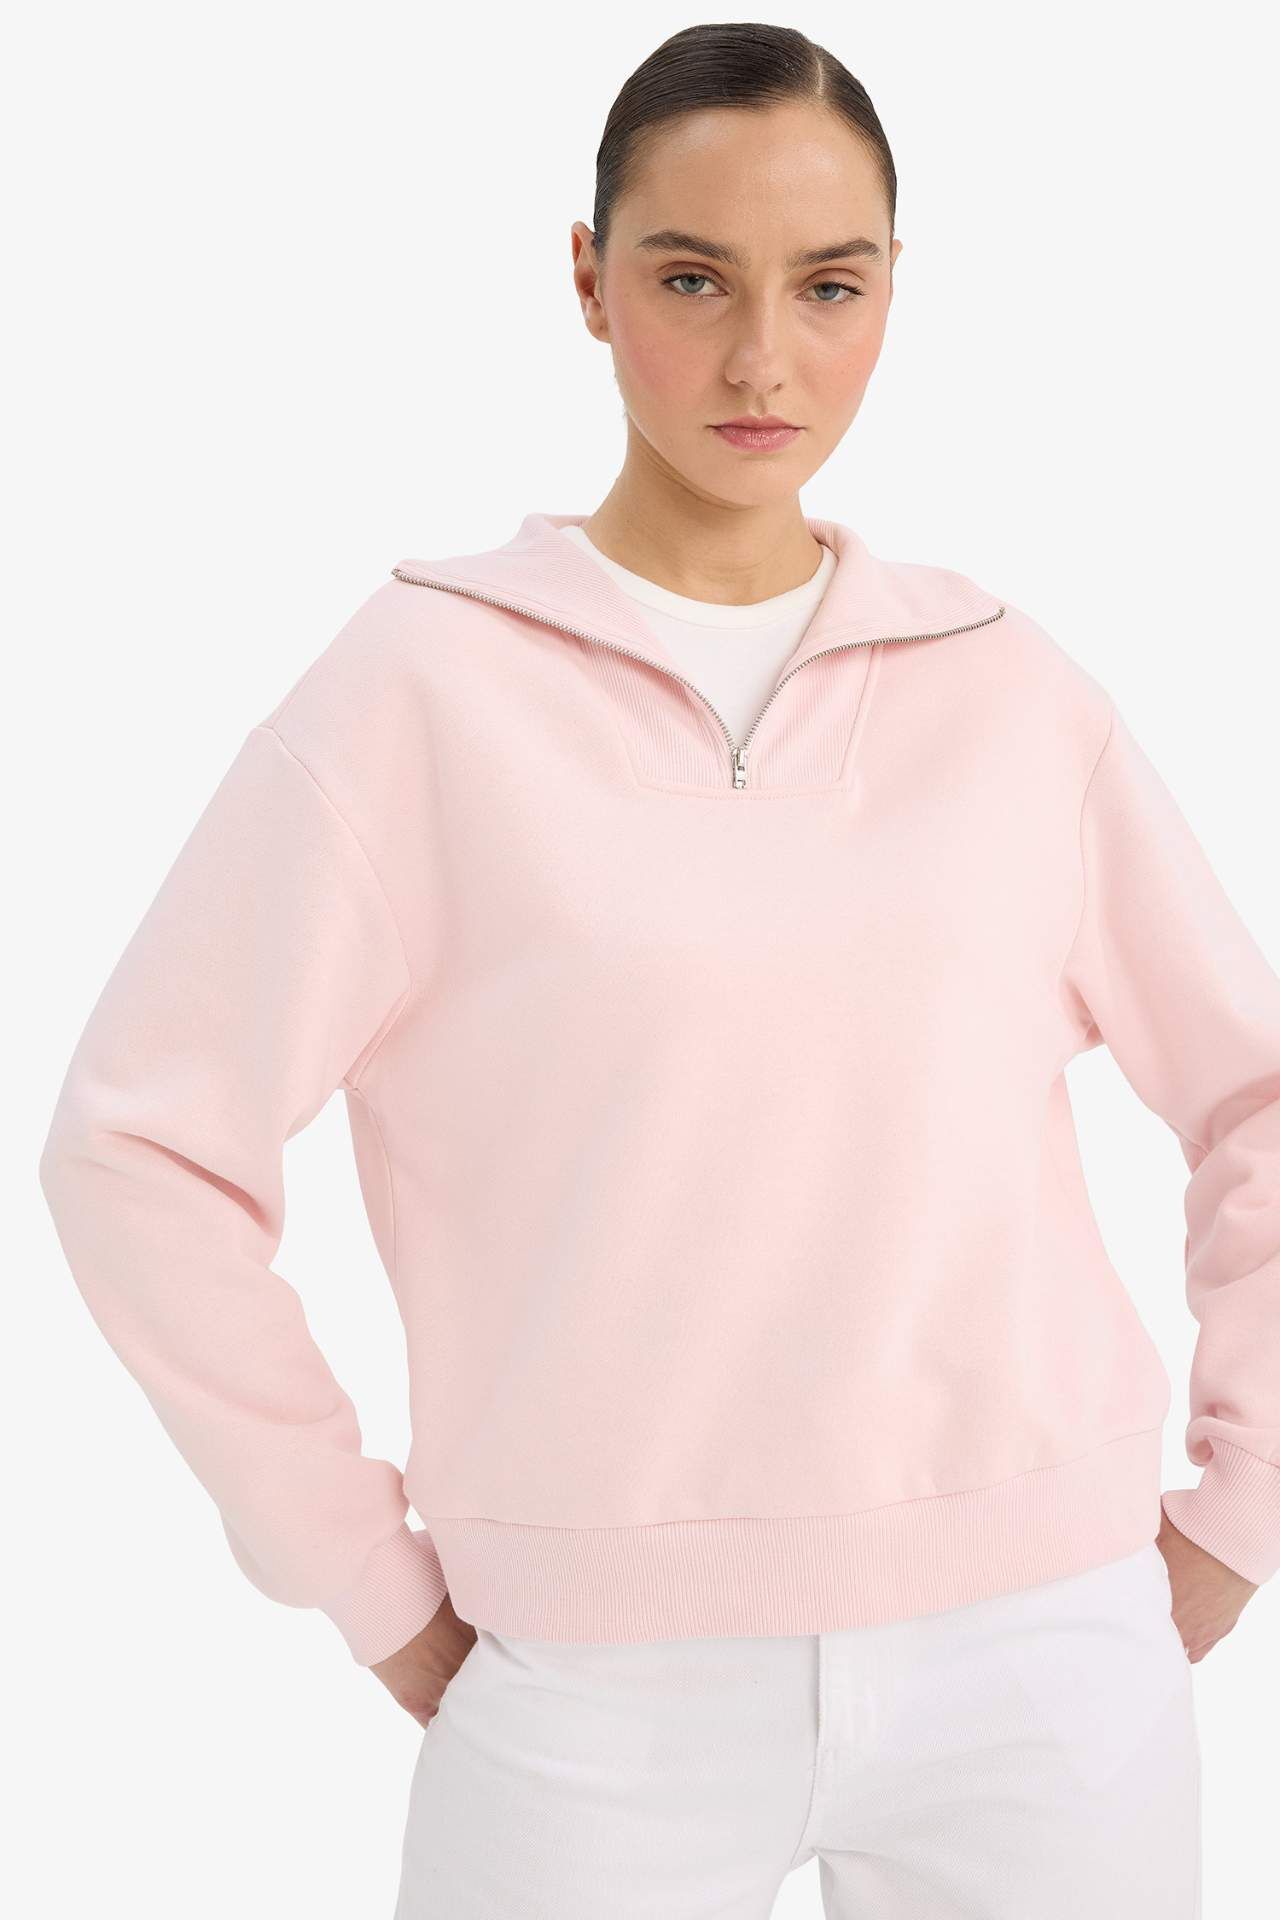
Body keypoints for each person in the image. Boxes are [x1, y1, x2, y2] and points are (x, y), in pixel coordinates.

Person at [38, 21, 1276, 1919]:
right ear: (589, 279)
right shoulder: (418, 691)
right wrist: (367, 1580)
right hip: (593, 1692)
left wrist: (1239, 1513)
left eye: (827, 285)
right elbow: (137, 1151)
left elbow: (1254, 1095)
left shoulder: (1010, 692)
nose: (762, 358)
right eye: (694, 279)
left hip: (1047, 1660)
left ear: (891, 293)